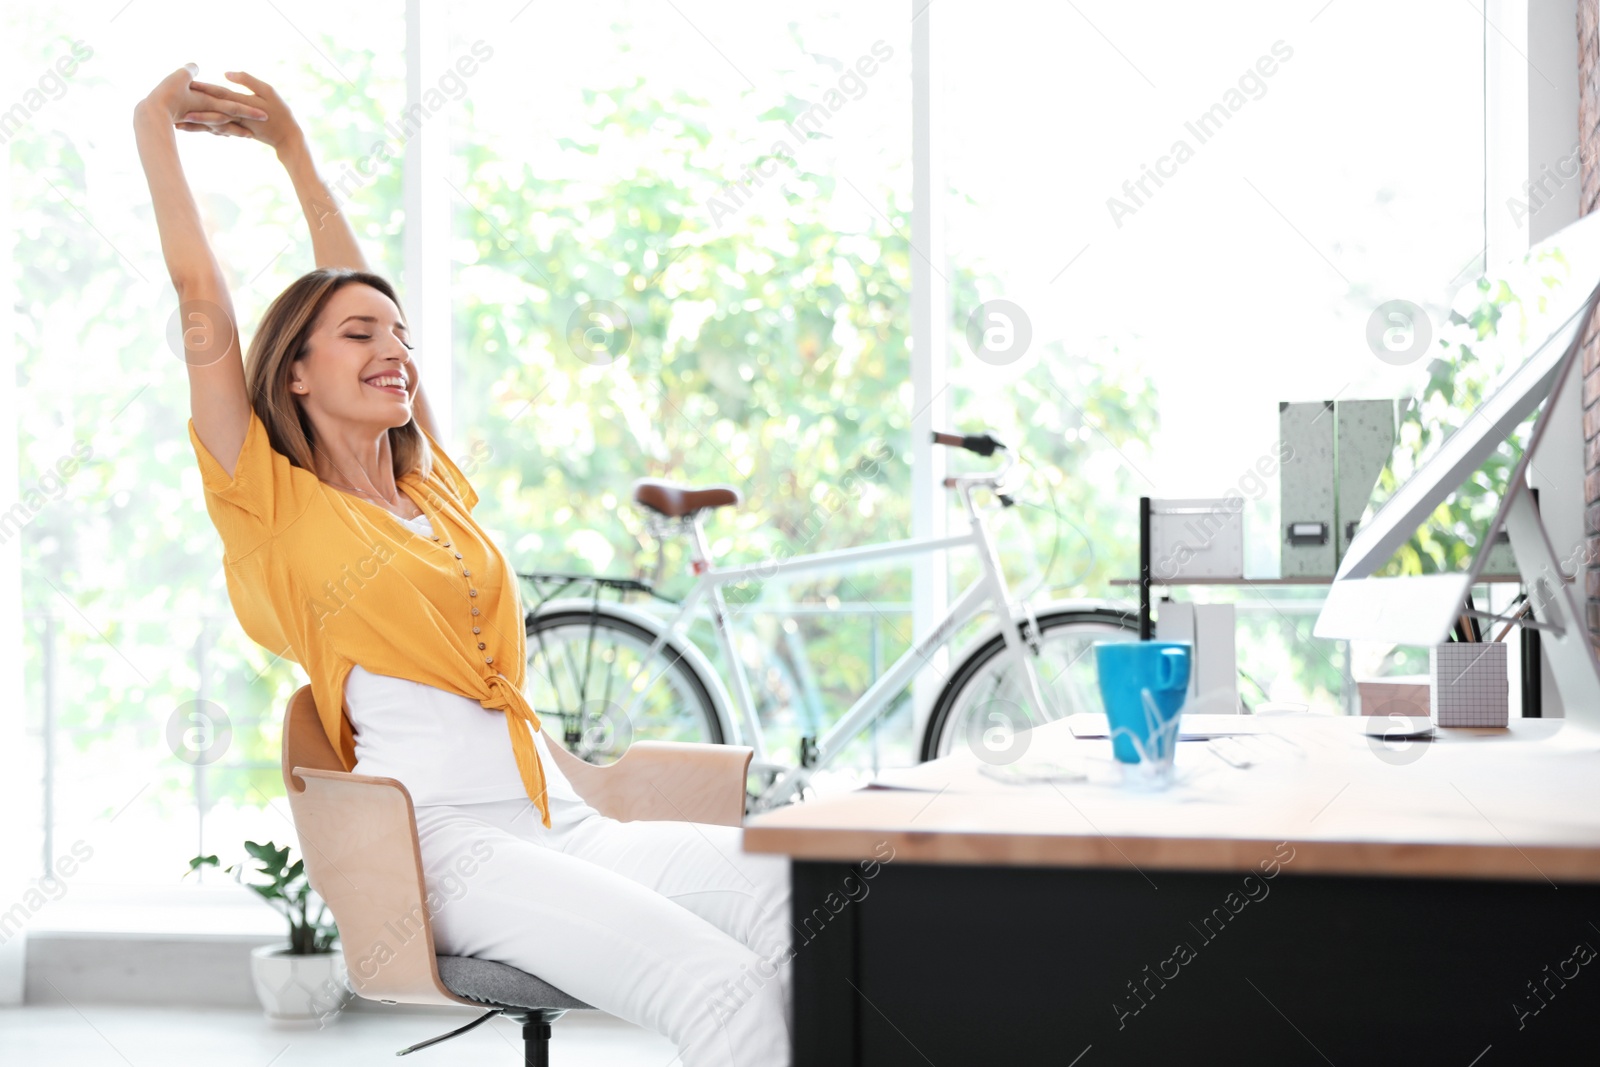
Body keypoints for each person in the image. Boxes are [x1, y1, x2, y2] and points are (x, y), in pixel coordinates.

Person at [134, 63, 791, 1065]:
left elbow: (350, 287)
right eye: (359, 335)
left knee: (810, 912)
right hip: (444, 844)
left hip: (565, 819)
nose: (392, 346)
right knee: (722, 991)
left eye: (398, 331)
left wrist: (296, 150)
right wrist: (152, 125)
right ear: (295, 372)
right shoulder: (271, 507)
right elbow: (201, 302)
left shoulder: (427, 481)